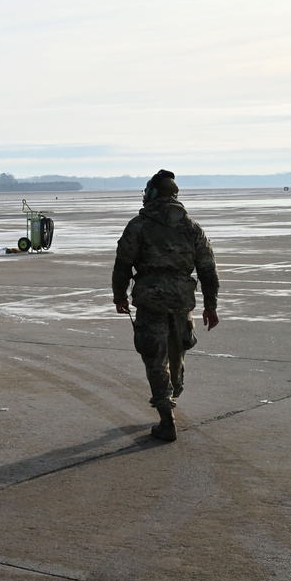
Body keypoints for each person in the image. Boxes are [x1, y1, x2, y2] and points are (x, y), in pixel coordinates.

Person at [112, 170, 220, 442]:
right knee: (177, 355)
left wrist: (119, 296)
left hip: (151, 303)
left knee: (155, 359)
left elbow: (123, 263)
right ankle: (172, 397)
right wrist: (210, 305)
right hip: (182, 303)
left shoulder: (139, 225)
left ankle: (166, 418)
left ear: (152, 194)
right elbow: (208, 268)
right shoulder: (191, 227)